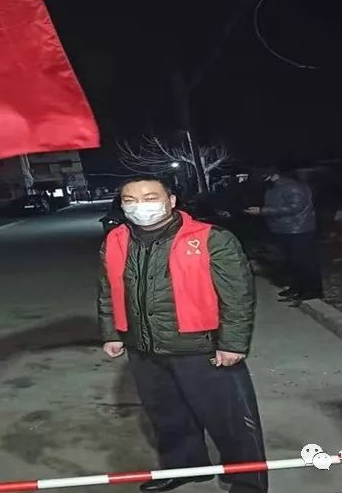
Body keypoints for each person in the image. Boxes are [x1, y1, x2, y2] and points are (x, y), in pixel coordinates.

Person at [97, 176, 267, 493]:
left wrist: (232, 344)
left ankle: (248, 481)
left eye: (150, 197)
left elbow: (237, 296)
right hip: (144, 349)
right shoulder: (116, 240)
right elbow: (109, 291)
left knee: (230, 421)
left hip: (202, 348)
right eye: (130, 200)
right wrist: (113, 333)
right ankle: (187, 467)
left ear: (171, 201)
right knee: (168, 417)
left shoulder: (211, 238)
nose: (140, 206)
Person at [244, 168, 322, 303]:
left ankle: (312, 290)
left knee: (304, 261)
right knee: (291, 261)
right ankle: (297, 287)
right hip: (283, 229)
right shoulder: (274, 188)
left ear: (275, 174)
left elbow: (295, 207)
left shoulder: (292, 187)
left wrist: (263, 211)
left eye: (266, 177)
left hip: (298, 229)